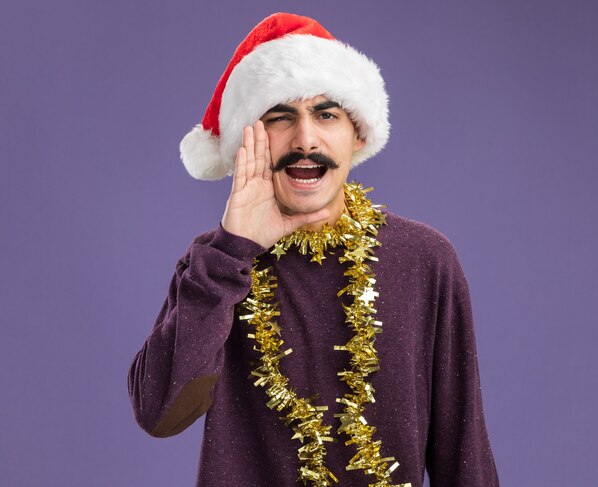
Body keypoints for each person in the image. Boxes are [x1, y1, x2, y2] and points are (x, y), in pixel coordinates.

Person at [128, 12, 499, 487]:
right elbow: (160, 412)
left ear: (357, 135)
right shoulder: (214, 265)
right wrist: (232, 250)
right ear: (251, 140)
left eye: (326, 115)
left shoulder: (424, 259)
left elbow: (463, 451)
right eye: (280, 117)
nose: (305, 139)